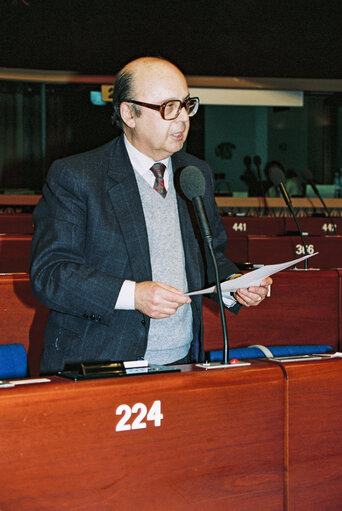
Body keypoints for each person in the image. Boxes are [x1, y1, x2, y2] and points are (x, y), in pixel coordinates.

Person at [30, 57, 271, 374]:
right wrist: (134, 295)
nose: (182, 119)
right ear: (129, 113)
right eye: (168, 107)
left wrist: (234, 285)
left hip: (182, 359)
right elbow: (51, 275)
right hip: (98, 363)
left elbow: (208, 256)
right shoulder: (77, 176)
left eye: (186, 105)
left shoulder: (195, 173)